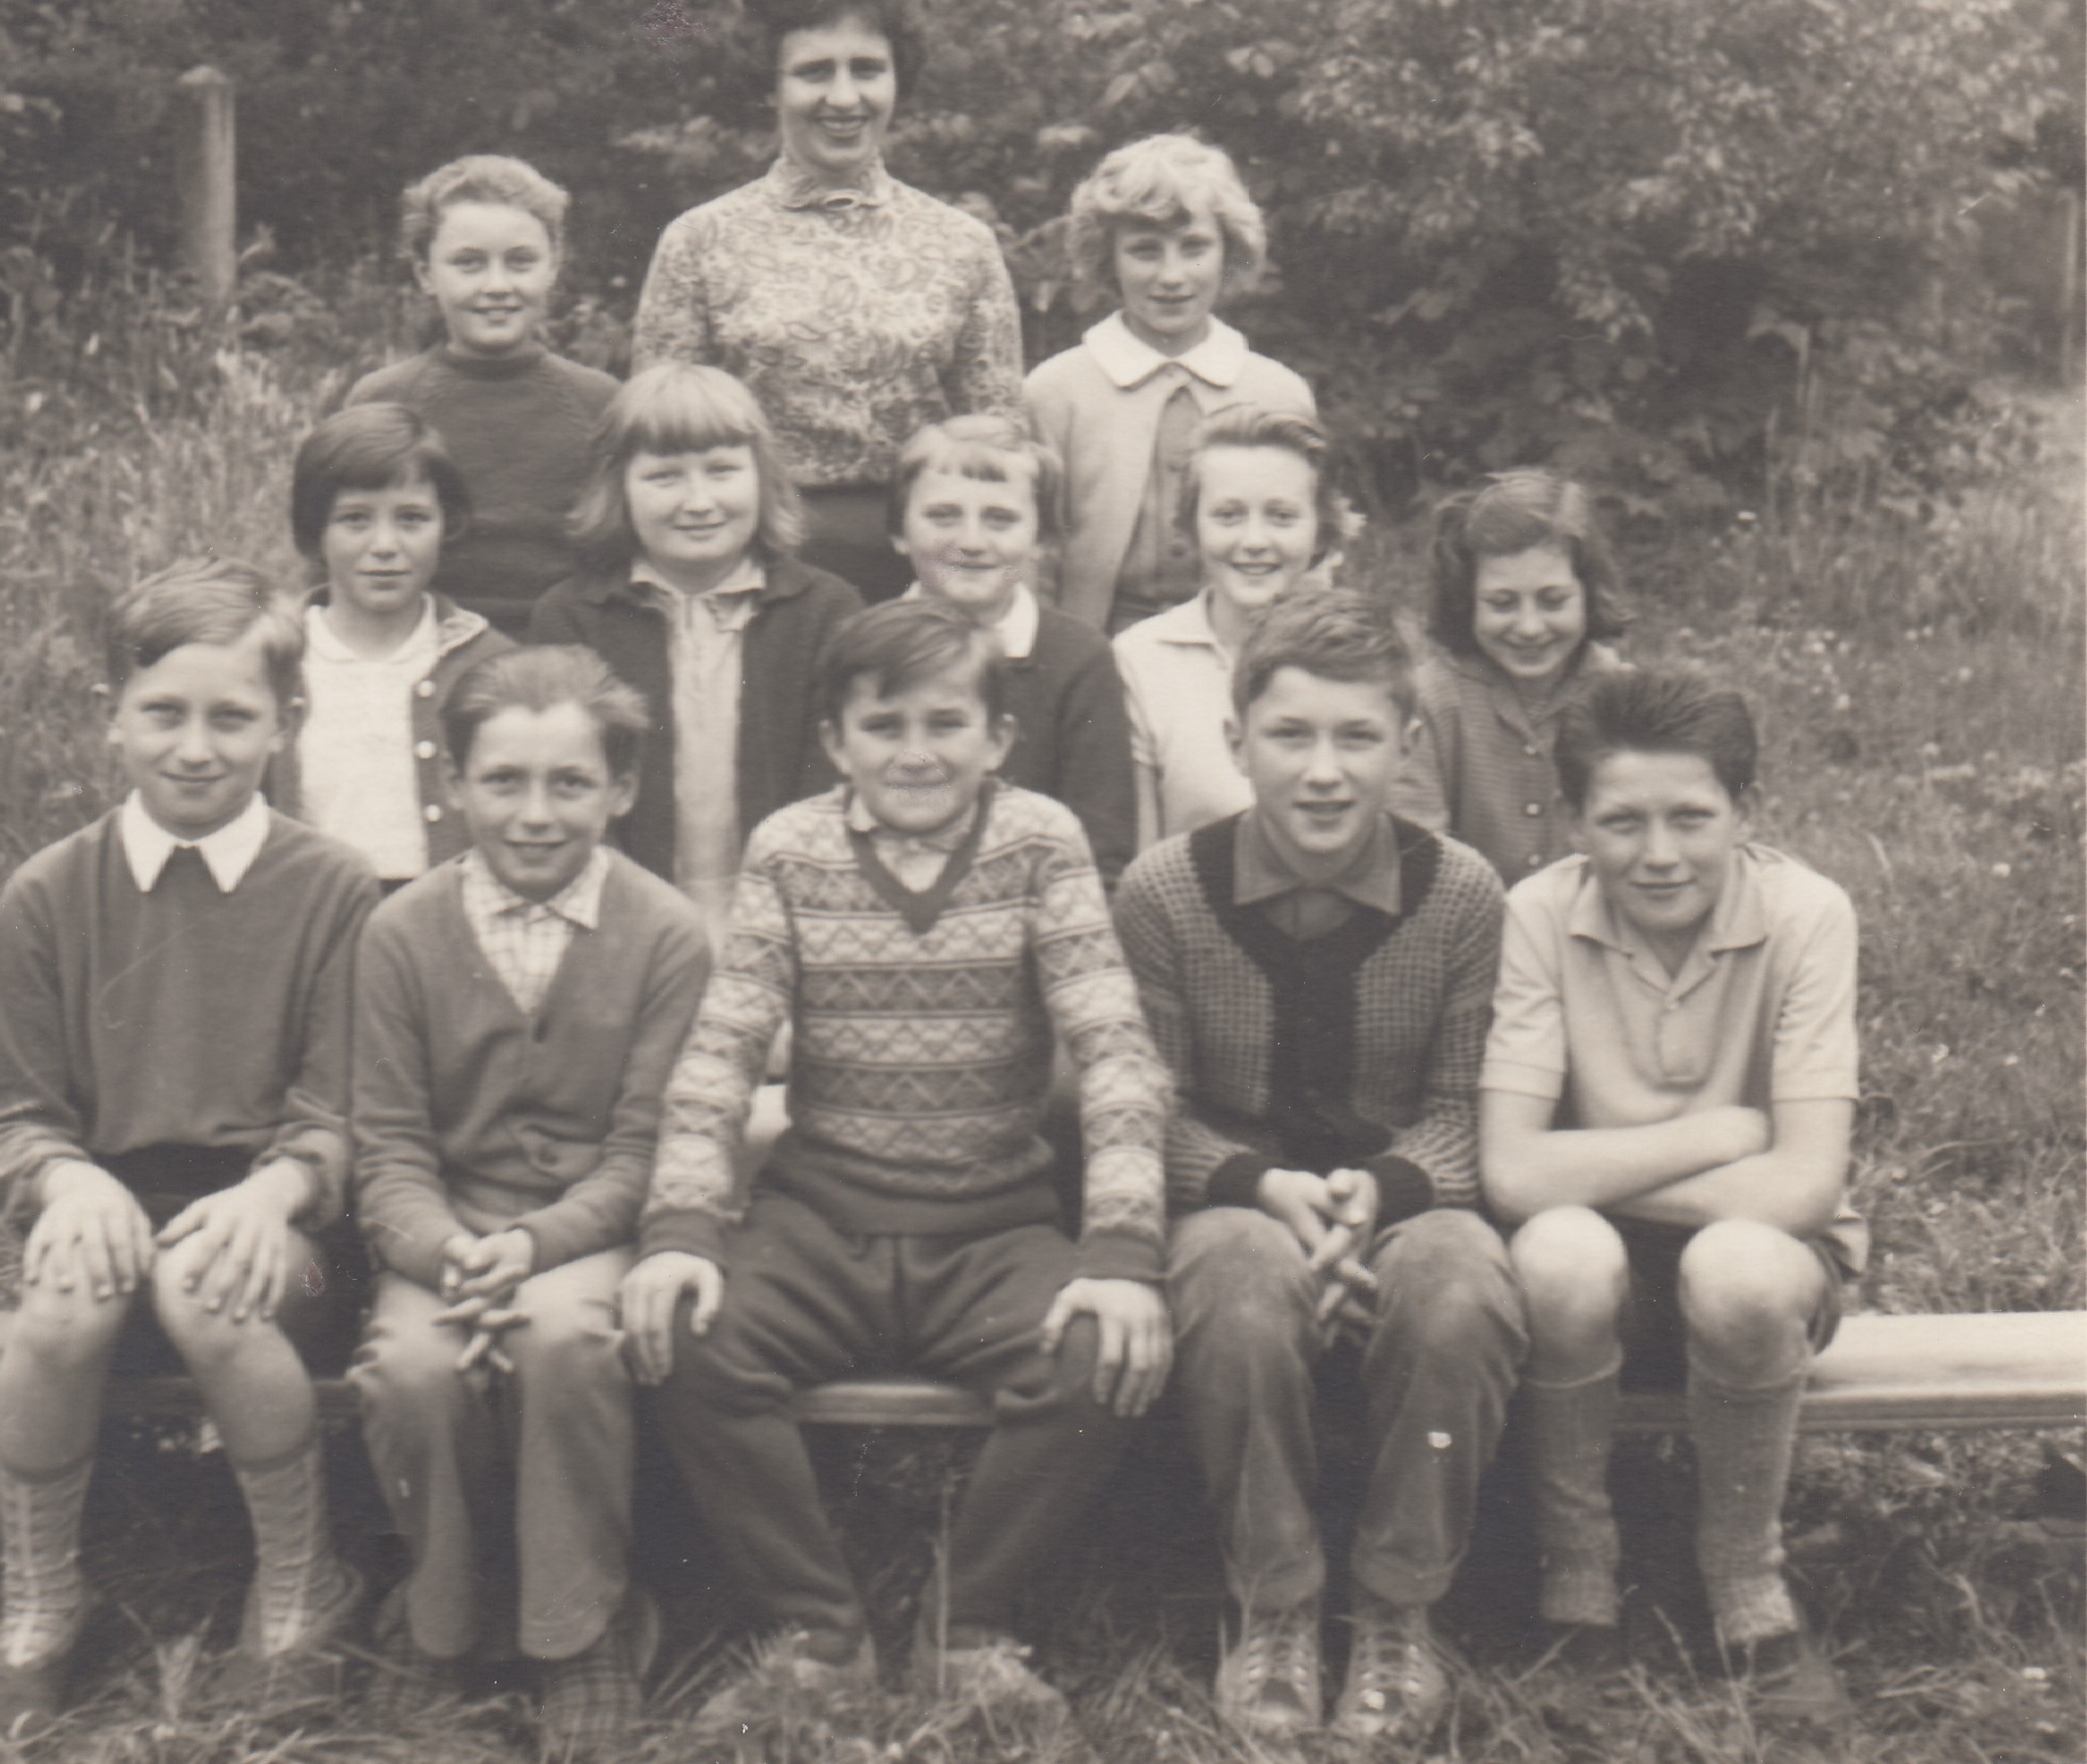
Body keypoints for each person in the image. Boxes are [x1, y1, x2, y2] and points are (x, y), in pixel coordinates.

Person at [620, 601, 1173, 1722]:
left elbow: (1114, 1050)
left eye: (944, 723)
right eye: (883, 726)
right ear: (836, 742)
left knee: (1095, 1355)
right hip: (822, 1218)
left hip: (991, 1223)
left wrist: (1120, 1251)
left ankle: (965, 1627)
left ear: (997, 737)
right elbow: (722, 1051)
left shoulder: (1039, 842)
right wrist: (680, 1229)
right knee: (685, 1335)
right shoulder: (790, 849)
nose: (915, 753)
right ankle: (819, 1638)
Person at [0, 560, 380, 1738]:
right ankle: (40, 1596)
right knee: (59, 1308)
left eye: (232, 717)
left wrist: (278, 1190)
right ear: (114, 716)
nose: (195, 748)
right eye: (163, 713)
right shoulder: (51, 892)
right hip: (107, 1208)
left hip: (286, 1242)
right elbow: (2, 1113)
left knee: (206, 1289)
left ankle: (301, 1585)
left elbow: (344, 1107)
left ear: (285, 723)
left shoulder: (334, 889)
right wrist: (63, 1178)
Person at [1114, 587, 1523, 1751]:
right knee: (1240, 1285)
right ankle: (1277, 1599)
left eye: (1358, 737)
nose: (1324, 772)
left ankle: (1397, 1604)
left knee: (1459, 1288)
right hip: (1231, 1193)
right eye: (1290, 735)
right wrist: (1258, 1184)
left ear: (1408, 743)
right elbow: (1142, 1102)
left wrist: (1378, 1192)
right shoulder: (1164, 891)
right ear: (1235, 739)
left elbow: (1464, 1104)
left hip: (1407, 1192)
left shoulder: (1460, 894)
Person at [347, 646, 713, 1755]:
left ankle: (576, 1629)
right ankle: (440, 1619)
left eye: (570, 783)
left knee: (563, 1342)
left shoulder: (665, 933)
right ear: (454, 785)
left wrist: (533, 1243)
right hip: (444, 1233)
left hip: (590, 1230)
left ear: (621, 790)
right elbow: (389, 1147)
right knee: (413, 1366)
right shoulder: (401, 932)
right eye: (502, 781)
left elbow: (648, 1150)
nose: (535, 814)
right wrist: (444, 1250)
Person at [1480, 666, 1862, 1728]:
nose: (1657, 853)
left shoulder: (1808, 913)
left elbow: (1803, 1185)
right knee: (1557, 1250)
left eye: (1691, 817)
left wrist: (1599, 1167)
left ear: (1746, 810)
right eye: (1621, 821)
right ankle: (1577, 1579)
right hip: (1593, 1268)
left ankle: (1745, 1580)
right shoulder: (1537, 913)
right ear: (1574, 822)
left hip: (1764, 1261)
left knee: (1734, 1266)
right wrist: (1721, 1132)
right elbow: (1511, 1173)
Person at [632, 0, 1022, 605]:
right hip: (750, 575)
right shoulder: (699, 242)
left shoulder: (963, 245)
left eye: (866, 69)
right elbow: (659, 444)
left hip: (925, 578)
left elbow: (1002, 450)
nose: (844, 97)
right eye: (814, 72)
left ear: (897, 77)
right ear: (771, 84)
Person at [528, 364, 860, 931]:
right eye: (665, 477)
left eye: (722, 471)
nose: (699, 501)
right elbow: (569, 791)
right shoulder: (573, 618)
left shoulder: (825, 612)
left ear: (762, 478)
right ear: (619, 488)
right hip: (624, 922)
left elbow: (833, 787)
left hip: (789, 917)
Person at [1024, 132, 1318, 635]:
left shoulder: (1278, 393)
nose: (1172, 275)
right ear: (1108, 259)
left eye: (1195, 247)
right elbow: (1034, 551)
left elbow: (1313, 550)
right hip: (1097, 642)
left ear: (1229, 250)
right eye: (1144, 251)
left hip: (1246, 639)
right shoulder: (1055, 391)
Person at [346, 154, 619, 636]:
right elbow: (340, 551)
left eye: (520, 262)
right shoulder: (385, 399)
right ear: (425, 273)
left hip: (566, 647)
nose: (497, 286)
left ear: (553, 266)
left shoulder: (601, 402)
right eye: (469, 263)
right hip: (424, 643)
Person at [887, 411, 1136, 888]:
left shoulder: (1078, 659)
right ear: (899, 531)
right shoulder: (860, 651)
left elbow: (1100, 850)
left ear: (1041, 538)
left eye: (1000, 519)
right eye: (943, 516)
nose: (971, 542)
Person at [269, 402, 511, 887]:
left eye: (412, 518)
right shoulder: (275, 657)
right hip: (311, 914)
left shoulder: (494, 665)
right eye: (355, 519)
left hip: (445, 917)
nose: (384, 545)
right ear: (316, 531)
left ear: (445, 526)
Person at [1113, 402, 1348, 849]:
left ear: (1320, 528)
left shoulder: (1364, 656)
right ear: (1192, 526)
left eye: (1282, 516)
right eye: (1228, 515)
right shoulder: (1140, 660)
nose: (1254, 541)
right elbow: (1140, 860)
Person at [1389, 469, 1634, 886]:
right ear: (1467, 601)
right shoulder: (1430, 700)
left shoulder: (1622, 696)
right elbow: (1417, 852)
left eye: (1553, 601)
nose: (1529, 627)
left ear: (1589, 595)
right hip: (1461, 916)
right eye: (1502, 603)